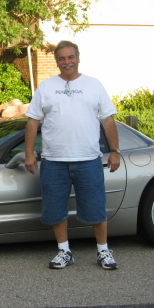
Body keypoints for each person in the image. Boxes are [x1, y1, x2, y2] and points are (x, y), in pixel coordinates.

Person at [24, 40, 120, 270]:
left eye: (70, 57)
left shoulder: (94, 85)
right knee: (55, 209)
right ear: (56, 61)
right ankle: (64, 251)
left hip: (88, 159)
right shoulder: (46, 87)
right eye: (61, 58)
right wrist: (29, 153)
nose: (66, 62)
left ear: (78, 58)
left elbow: (108, 120)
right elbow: (32, 121)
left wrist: (115, 151)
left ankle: (103, 251)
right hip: (54, 161)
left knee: (96, 208)